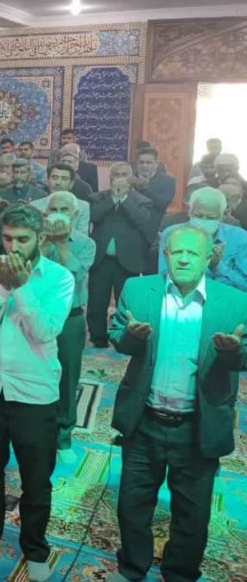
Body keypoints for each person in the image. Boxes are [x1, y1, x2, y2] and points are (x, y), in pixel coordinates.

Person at [107, 225, 247, 582]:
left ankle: (180, 574)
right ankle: (132, 567)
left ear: (208, 258)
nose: (183, 259)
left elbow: (244, 356)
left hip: (198, 426)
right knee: (133, 504)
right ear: (166, 254)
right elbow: (118, 337)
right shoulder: (139, 290)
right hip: (145, 420)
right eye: (177, 252)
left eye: (192, 253)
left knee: (192, 514)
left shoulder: (235, 302)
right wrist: (131, 337)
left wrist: (234, 352)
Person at [0, 205, 75, 582]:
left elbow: (45, 331)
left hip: (35, 393)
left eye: (23, 239)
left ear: (40, 238)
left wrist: (20, 288)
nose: (13, 246)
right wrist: (2, 285)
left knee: (36, 480)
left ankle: (35, 548)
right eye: (7, 238)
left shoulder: (59, 277)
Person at [40, 191, 96, 463]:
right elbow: (29, 271)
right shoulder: (36, 238)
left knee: (68, 376)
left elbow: (75, 274)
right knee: (37, 372)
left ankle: (63, 437)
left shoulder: (86, 243)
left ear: (75, 215)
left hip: (70, 319)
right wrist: (45, 242)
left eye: (64, 209)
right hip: (38, 314)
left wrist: (61, 243)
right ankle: (35, 430)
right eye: (54, 209)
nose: (59, 214)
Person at [88, 163, 153, 347]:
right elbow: (93, 216)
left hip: (128, 261)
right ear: (110, 178)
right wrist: (113, 198)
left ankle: (123, 338)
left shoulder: (141, 200)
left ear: (131, 178)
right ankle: (98, 340)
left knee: (125, 302)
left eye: (124, 174)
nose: (120, 177)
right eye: (116, 174)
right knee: (97, 302)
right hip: (101, 260)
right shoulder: (97, 197)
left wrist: (123, 199)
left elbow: (140, 219)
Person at [158, 187, 247, 292]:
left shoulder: (239, 238)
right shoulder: (172, 234)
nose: (203, 221)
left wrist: (217, 266)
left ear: (223, 216)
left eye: (211, 217)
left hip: (226, 298)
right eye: (198, 215)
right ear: (189, 212)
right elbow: (164, 278)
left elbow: (244, 285)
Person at [0, 158, 47, 252]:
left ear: (29, 175)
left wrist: (30, 210)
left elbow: (43, 223)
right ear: (12, 174)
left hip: (30, 246)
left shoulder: (41, 195)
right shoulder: (1, 194)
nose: (19, 176)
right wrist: (4, 211)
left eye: (22, 172)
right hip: (5, 245)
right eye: (16, 172)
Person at [30, 164, 90, 235]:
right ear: (48, 181)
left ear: (71, 183)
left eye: (64, 179)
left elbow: (83, 236)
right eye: (54, 178)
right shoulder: (34, 206)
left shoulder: (83, 206)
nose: (58, 183)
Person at [132, 147, 176, 242]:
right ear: (137, 163)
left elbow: (162, 204)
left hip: (153, 232)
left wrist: (145, 189)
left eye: (148, 163)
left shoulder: (168, 181)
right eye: (141, 162)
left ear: (156, 163)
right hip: (129, 230)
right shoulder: (128, 179)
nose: (144, 166)